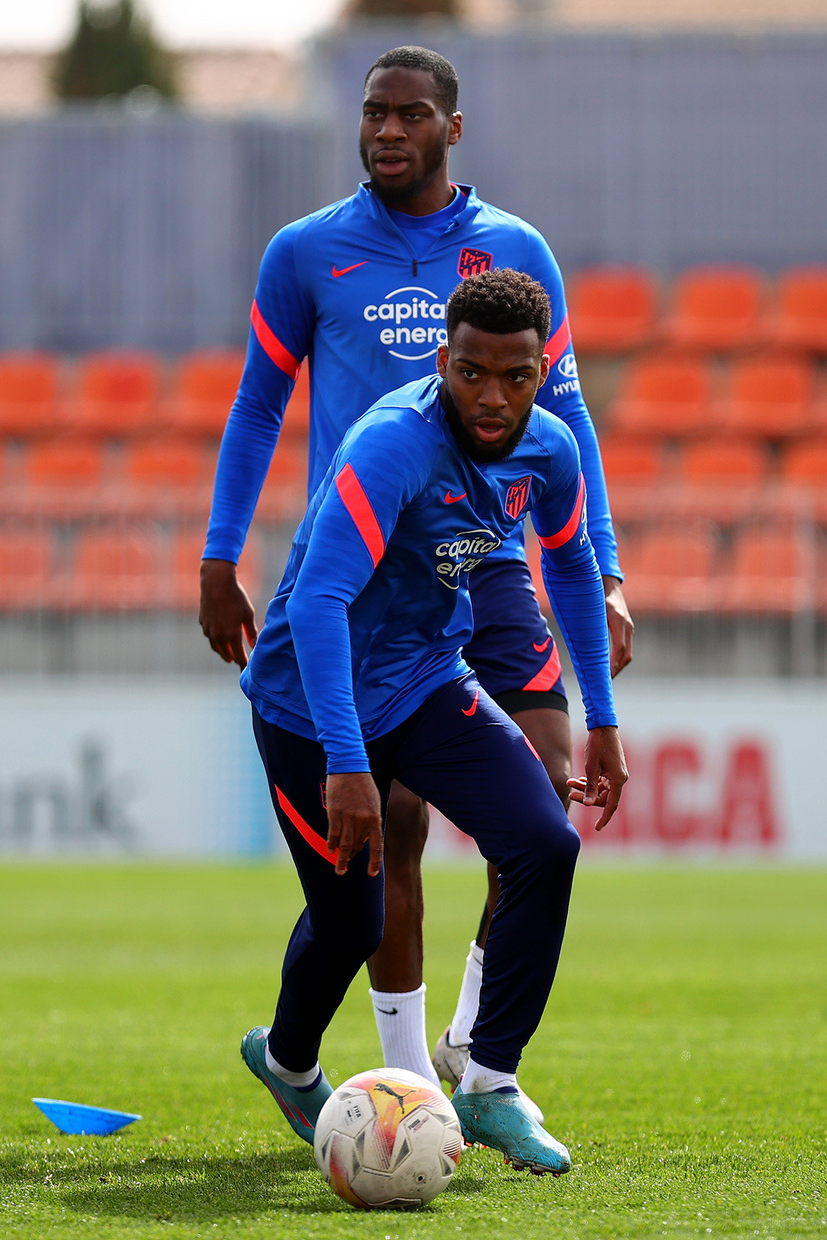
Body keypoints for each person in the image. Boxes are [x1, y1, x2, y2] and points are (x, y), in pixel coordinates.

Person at [200, 45, 633, 1102]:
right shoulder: (306, 252)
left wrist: (605, 570)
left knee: (543, 784)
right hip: (360, 572)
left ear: (450, 127)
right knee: (385, 837)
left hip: (483, 560)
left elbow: (564, 417)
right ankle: (404, 1086)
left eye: (409, 116)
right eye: (372, 115)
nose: (387, 132)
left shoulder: (514, 250)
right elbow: (259, 406)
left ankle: (475, 1048)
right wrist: (220, 551)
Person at [239, 268, 627, 1174]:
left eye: (516, 377)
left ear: (542, 372)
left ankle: (489, 1082)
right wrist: (346, 765)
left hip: (420, 679)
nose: (493, 397)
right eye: (471, 373)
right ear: (441, 360)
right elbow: (323, 602)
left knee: (543, 842)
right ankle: (288, 1060)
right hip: (309, 703)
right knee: (351, 925)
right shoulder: (391, 447)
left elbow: (570, 566)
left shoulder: (554, 450)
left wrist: (601, 714)